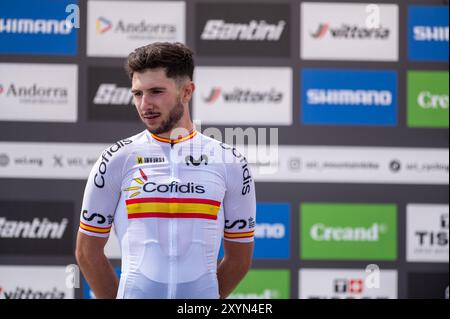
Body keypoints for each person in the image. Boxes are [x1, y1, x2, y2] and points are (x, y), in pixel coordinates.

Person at [75, 42, 256, 299]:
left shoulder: (230, 161)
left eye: (156, 91)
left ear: (187, 91)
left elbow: (240, 258)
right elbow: (87, 252)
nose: (145, 104)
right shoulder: (116, 159)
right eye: (137, 94)